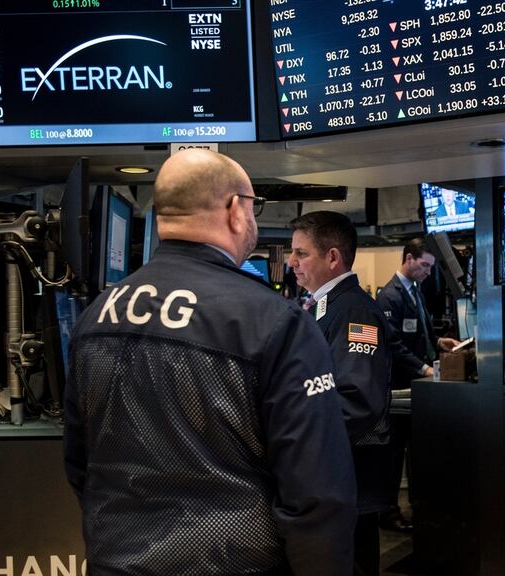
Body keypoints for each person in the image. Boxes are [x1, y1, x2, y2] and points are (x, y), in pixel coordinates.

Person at [63, 150, 356, 575]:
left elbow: (79, 463)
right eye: (254, 207)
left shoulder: (96, 316)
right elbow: (317, 494)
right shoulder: (274, 322)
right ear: (235, 210)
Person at [289, 211, 394, 576]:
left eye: (301, 254)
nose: (292, 263)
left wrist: (293, 440)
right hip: (329, 479)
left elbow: (356, 400)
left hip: (347, 479)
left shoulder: (355, 313)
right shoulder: (326, 306)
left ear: (332, 257)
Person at [376, 238, 460, 532]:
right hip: (400, 388)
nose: (427, 272)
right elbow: (393, 344)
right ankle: (387, 513)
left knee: (416, 451)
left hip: (418, 387)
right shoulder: (390, 296)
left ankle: (419, 507)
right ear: (408, 259)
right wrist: (424, 367)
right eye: (424, 265)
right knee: (394, 453)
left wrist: (438, 342)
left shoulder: (415, 292)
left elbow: (416, 330)